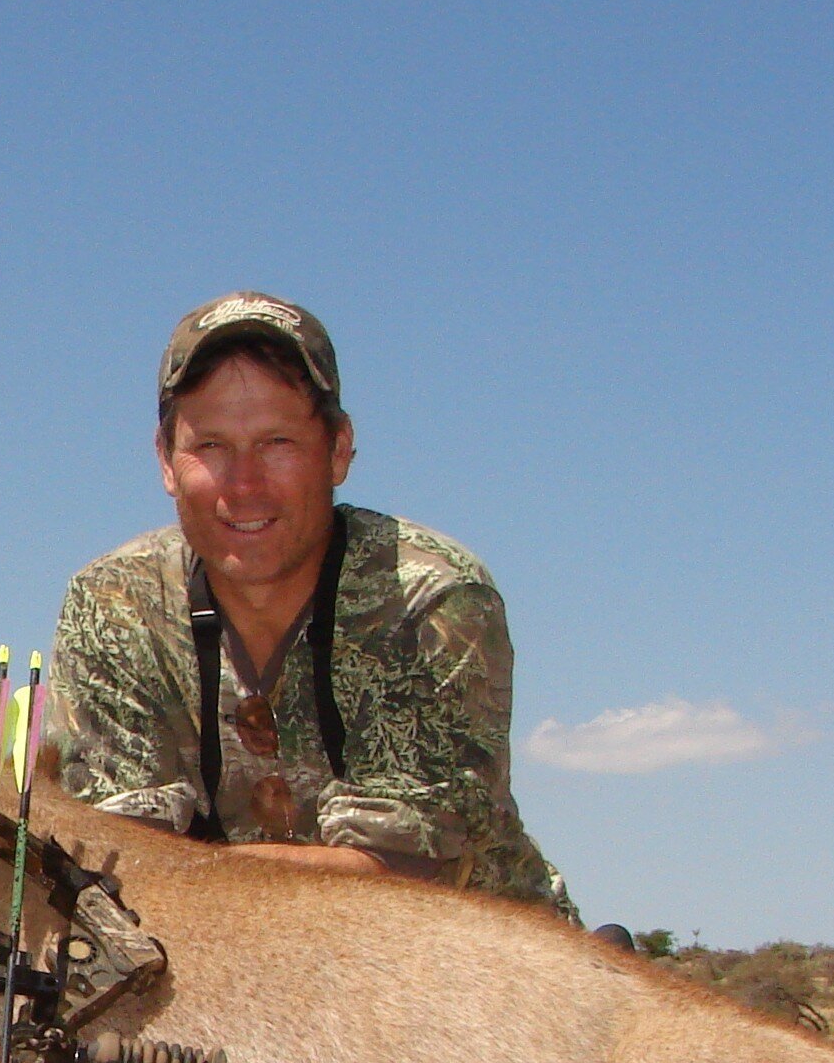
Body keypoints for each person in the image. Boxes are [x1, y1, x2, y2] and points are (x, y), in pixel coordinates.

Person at [47, 291, 574, 915]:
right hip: (216, 963)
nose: (243, 485)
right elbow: (119, 858)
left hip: (460, 965)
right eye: (211, 446)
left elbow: (401, 871)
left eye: (277, 442)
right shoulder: (113, 605)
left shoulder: (431, 597)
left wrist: (183, 875)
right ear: (166, 461)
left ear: (340, 449)